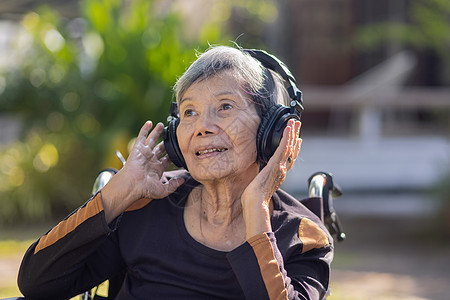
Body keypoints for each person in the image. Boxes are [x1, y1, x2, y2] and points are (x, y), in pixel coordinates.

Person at [17, 46, 333, 299]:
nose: (201, 128)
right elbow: (36, 283)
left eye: (225, 106)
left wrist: (255, 208)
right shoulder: (144, 208)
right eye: (189, 112)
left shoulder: (303, 236)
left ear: (273, 130)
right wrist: (122, 189)